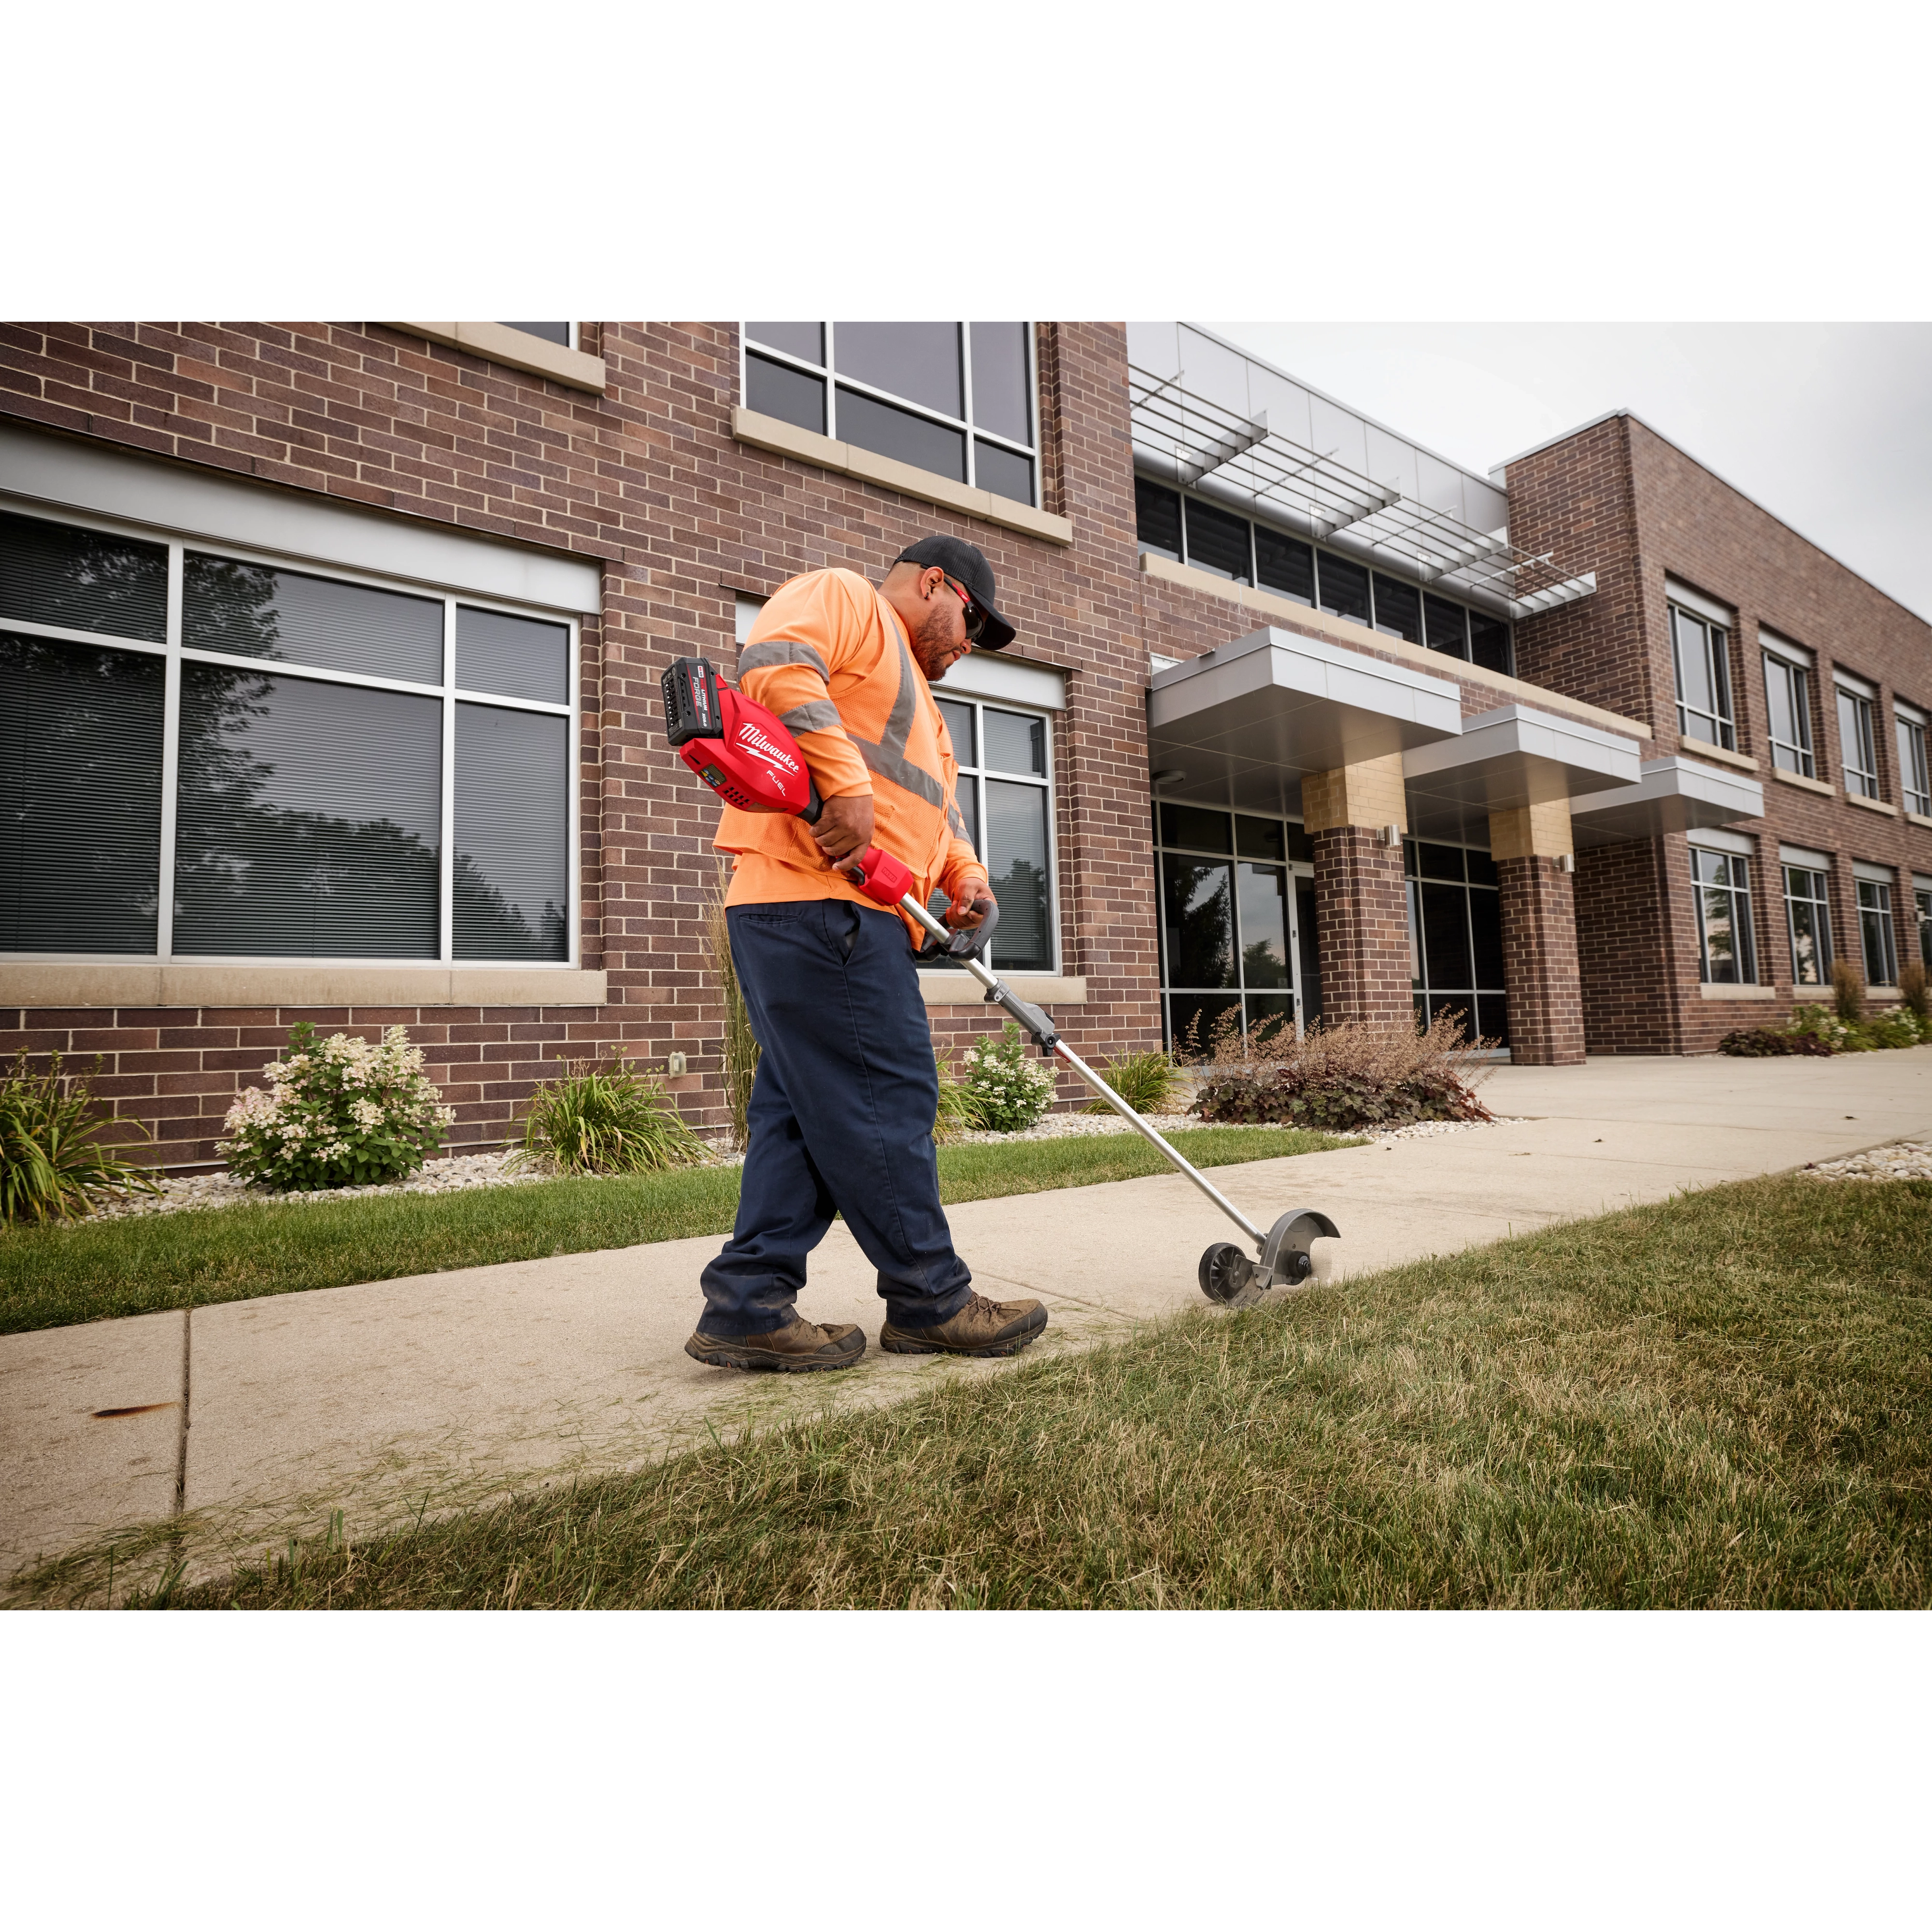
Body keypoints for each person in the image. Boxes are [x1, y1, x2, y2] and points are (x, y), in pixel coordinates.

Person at [686, 537, 1051, 1372]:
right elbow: (775, 664)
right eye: (971, 622)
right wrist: (843, 787)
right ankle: (931, 1299)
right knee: (890, 1096)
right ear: (934, 584)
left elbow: (936, 816)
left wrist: (972, 884)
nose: (969, 643)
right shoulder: (847, 599)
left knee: (802, 1116)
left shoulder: (924, 709)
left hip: (830, 915)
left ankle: (747, 1302)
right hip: (819, 903)